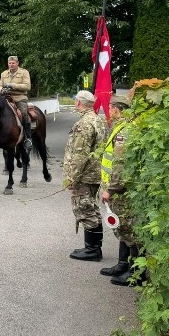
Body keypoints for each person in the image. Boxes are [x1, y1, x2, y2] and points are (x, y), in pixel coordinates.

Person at [99, 95, 142, 285]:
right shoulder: (121, 127)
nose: (108, 110)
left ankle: (136, 274)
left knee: (129, 229)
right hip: (118, 190)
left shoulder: (126, 131)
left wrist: (111, 189)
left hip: (121, 190)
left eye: (110, 107)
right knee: (121, 227)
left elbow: (121, 164)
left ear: (117, 109)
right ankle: (122, 264)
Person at [63, 90, 108, 261]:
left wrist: (72, 177)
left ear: (78, 103)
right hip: (95, 173)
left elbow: (79, 154)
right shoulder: (98, 120)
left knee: (85, 209)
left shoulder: (85, 124)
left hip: (85, 174)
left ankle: (92, 250)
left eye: (76, 101)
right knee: (92, 209)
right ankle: (94, 247)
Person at [0, 55, 32, 151]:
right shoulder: (4, 74)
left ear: (17, 63)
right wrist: (1, 90)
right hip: (6, 97)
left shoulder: (24, 72)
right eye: (9, 63)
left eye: (13, 63)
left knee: (24, 113)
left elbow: (27, 86)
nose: (11, 65)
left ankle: (28, 138)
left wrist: (12, 85)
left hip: (20, 97)